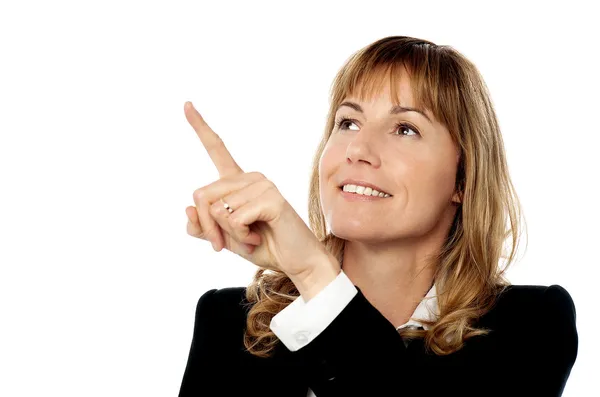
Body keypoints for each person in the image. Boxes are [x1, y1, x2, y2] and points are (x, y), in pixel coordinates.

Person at [177, 36, 578, 397]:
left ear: (463, 177)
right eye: (348, 122)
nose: (358, 149)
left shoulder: (530, 326)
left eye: (405, 128)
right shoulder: (227, 322)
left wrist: (316, 275)